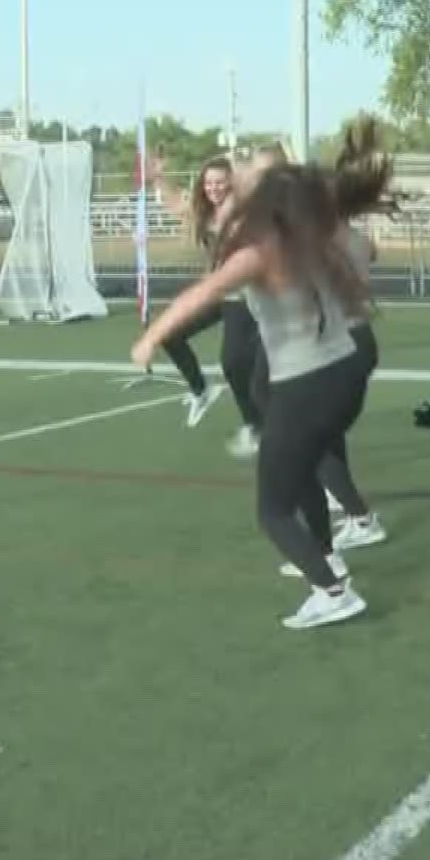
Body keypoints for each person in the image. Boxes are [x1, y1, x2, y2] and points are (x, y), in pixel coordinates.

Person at [132, 158, 370, 630]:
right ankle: (328, 553)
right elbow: (364, 247)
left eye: (245, 177)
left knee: (273, 510)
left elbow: (200, 296)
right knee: (303, 472)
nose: (234, 178)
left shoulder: (260, 250)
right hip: (344, 372)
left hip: (307, 382)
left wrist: (150, 337)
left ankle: (332, 590)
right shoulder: (308, 234)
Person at [317, 115, 402, 550]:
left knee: (311, 440)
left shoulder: (325, 239)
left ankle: (361, 518)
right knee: (326, 435)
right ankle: (346, 504)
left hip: (342, 347)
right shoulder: (352, 236)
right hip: (355, 343)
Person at [145, 153, 236, 430]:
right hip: (219, 295)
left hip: (249, 298)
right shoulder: (206, 213)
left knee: (241, 364)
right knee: (170, 335)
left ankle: (261, 423)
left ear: (232, 183)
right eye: (208, 184)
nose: (213, 189)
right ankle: (200, 390)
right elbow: (178, 206)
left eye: (220, 183)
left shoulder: (244, 212)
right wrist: (158, 178)